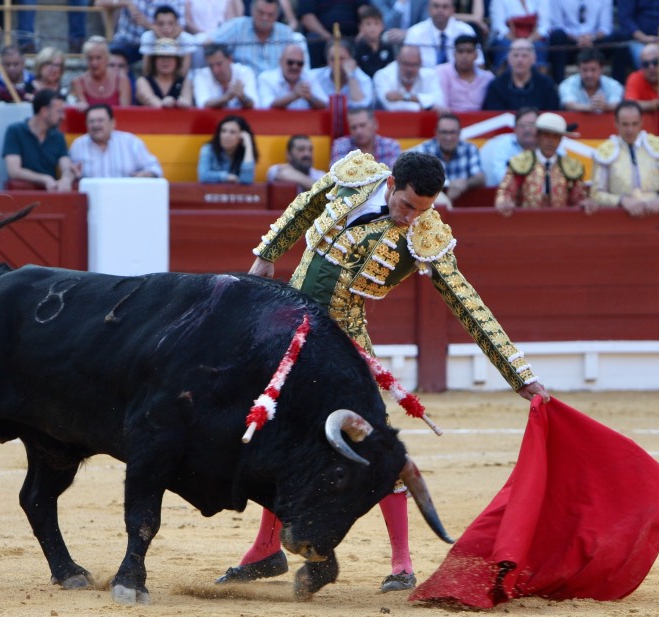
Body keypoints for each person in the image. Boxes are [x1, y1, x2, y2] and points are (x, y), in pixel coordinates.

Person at [215, 149, 550, 592]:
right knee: (279, 435)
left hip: (344, 344)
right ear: (391, 184)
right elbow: (308, 203)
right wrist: (268, 253)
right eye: (408, 205)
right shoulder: (357, 176)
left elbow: (466, 301)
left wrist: (518, 374)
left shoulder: (424, 234)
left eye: (424, 210)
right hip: (290, 328)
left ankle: (401, 563)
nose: (412, 218)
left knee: (376, 446)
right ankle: (264, 549)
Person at [591, 100, 659, 216]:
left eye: (634, 124)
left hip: (655, 214)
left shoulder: (657, 146)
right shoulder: (605, 151)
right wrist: (621, 200)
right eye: (625, 124)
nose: (630, 129)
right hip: (618, 216)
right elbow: (596, 194)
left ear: (641, 123)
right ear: (616, 123)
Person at [495, 112, 590, 215]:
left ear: (560, 140)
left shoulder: (570, 166)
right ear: (537, 136)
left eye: (555, 137)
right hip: (526, 224)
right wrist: (504, 201)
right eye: (546, 135)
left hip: (561, 224)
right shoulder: (520, 162)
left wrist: (585, 202)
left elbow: (579, 198)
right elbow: (505, 192)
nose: (551, 141)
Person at [2, 89, 77, 192]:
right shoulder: (15, 131)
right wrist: (44, 179)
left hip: (50, 197)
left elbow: (66, 166)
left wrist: (66, 179)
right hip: (21, 197)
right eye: (59, 112)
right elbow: (13, 170)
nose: (63, 117)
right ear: (44, 111)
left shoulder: (58, 137)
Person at [68, 104, 164, 179]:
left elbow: (155, 168)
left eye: (100, 120)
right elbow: (69, 173)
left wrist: (146, 175)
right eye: (91, 121)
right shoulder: (78, 145)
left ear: (112, 123)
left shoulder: (131, 142)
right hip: (91, 201)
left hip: (126, 199)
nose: (95, 125)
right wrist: (73, 174)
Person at [211, 0, 306, 74]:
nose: (265, 18)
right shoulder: (237, 26)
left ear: (277, 16)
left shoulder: (286, 33)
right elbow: (208, 43)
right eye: (261, 12)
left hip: (276, 91)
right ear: (252, 10)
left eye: (270, 15)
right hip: (243, 88)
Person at [547, 0, 628, 85]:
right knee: (557, 35)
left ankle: (618, 86)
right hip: (571, 44)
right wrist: (577, 39)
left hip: (595, 44)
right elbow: (558, 26)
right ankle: (559, 85)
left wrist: (592, 38)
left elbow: (605, 27)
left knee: (621, 37)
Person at [411, 113, 484, 204]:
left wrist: (465, 183)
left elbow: (480, 178)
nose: (448, 137)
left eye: (452, 132)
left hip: (465, 206)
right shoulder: (423, 151)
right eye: (444, 132)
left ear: (459, 133)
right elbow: (411, 179)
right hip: (430, 207)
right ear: (436, 133)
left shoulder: (470, 149)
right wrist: (447, 185)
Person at [482, 38, 560, 111]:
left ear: (534, 59)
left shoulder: (546, 85)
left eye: (524, 56)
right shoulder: (496, 85)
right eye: (515, 55)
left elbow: (551, 113)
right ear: (508, 59)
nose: (520, 60)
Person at [405, 0, 478, 68]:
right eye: (436, 6)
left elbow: (478, 64)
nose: (440, 10)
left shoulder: (466, 31)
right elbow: (406, 64)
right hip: (425, 80)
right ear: (429, 9)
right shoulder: (415, 32)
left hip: (459, 79)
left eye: (445, 7)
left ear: (453, 10)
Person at [373, 44, 446, 111]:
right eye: (406, 64)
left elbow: (439, 102)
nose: (410, 69)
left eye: (414, 65)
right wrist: (428, 108)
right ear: (398, 61)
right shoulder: (382, 76)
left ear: (421, 63)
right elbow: (392, 107)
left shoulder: (430, 75)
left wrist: (405, 97)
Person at [480, 106, 541, 186]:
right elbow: (501, 177)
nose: (527, 129)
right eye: (522, 125)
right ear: (514, 129)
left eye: (531, 125)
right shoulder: (503, 145)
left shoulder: (549, 145)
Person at [98, 0, 172, 65]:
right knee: (112, 58)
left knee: (165, 58)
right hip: (126, 41)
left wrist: (147, 24)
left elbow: (175, 27)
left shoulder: (167, 2)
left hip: (154, 44)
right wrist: (126, 2)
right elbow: (100, 2)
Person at [258, 43, 328, 109]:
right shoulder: (266, 78)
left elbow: (326, 105)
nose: (295, 67)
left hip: (303, 121)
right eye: (290, 62)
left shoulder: (309, 77)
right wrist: (293, 96)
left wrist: (310, 98)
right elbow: (265, 106)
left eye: (300, 63)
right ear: (281, 61)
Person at [308, 40, 375, 109]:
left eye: (341, 59)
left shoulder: (363, 79)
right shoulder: (313, 76)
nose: (337, 63)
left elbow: (362, 106)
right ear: (327, 61)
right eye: (333, 59)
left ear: (351, 60)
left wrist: (351, 76)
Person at [298, 0, 365, 68]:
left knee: (367, 38)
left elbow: (365, 11)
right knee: (313, 39)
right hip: (322, 36)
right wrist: (328, 37)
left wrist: (362, 32)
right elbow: (307, 18)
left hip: (353, 36)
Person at [436, 34, 494, 112]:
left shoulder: (487, 78)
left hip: (480, 122)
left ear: (476, 55)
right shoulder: (442, 72)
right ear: (454, 54)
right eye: (460, 51)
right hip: (449, 121)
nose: (464, 56)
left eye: (469, 51)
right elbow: (441, 105)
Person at [70, 36, 133, 107]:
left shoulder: (121, 80)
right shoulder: (78, 82)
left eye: (98, 58)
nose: (94, 63)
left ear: (107, 58)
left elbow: (125, 113)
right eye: (90, 58)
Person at [193, 43, 259, 109]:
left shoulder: (245, 72)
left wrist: (242, 96)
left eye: (219, 64)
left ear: (230, 59)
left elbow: (254, 105)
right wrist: (226, 97)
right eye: (211, 66)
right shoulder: (201, 75)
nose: (215, 70)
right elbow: (202, 106)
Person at [558, 48, 624, 114]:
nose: (589, 75)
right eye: (585, 70)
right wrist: (590, 107)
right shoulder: (567, 84)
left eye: (593, 70)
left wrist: (606, 106)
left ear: (601, 69)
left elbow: (617, 104)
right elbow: (568, 105)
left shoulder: (613, 85)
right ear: (578, 69)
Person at [330, 108, 402, 168]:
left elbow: (395, 177)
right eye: (353, 127)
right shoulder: (341, 145)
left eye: (362, 125)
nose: (358, 131)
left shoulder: (391, 146)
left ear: (374, 124)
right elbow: (338, 177)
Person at [488, 0, 550, 69]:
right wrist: (517, 43)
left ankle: (539, 77)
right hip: (508, 38)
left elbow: (544, 26)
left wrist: (527, 41)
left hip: (533, 38)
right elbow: (499, 27)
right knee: (504, 45)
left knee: (539, 46)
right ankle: (505, 77)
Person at [139, 5, 197, 76]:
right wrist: (164, 40)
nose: (166, 27)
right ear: (154, 24)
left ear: (176, 24)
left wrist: (169, 41)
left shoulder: (187, 38)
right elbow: (146, 71)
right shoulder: (147, 37)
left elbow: (184, 73)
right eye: (161, 24)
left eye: (170, 23)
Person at [197, 115, 258, 183]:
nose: (226, 136)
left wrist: (248, 145)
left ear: (241, 138)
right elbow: (203, 176)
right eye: (223, 131)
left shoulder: (245, 153)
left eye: (232, 132)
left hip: (236, 193)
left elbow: (247, 181)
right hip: (211, 193)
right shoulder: (208, 149)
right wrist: (226, 177)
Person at [135, 38, 194, 107]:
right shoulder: (142, 81)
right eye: (161, 57)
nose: (165, 61)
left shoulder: (185, 82)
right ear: (154, 60)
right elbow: (149, 99)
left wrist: (180, 103)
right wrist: (164, 104)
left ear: (177, 61)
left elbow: (187, 101)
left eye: (170, 57)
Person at [354, 4, 396, 78]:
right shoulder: (357, 49)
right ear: (361, 27)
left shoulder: (388, 47)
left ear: (382, 26)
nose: (372, 28)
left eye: (376, 23)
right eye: (368, 24)